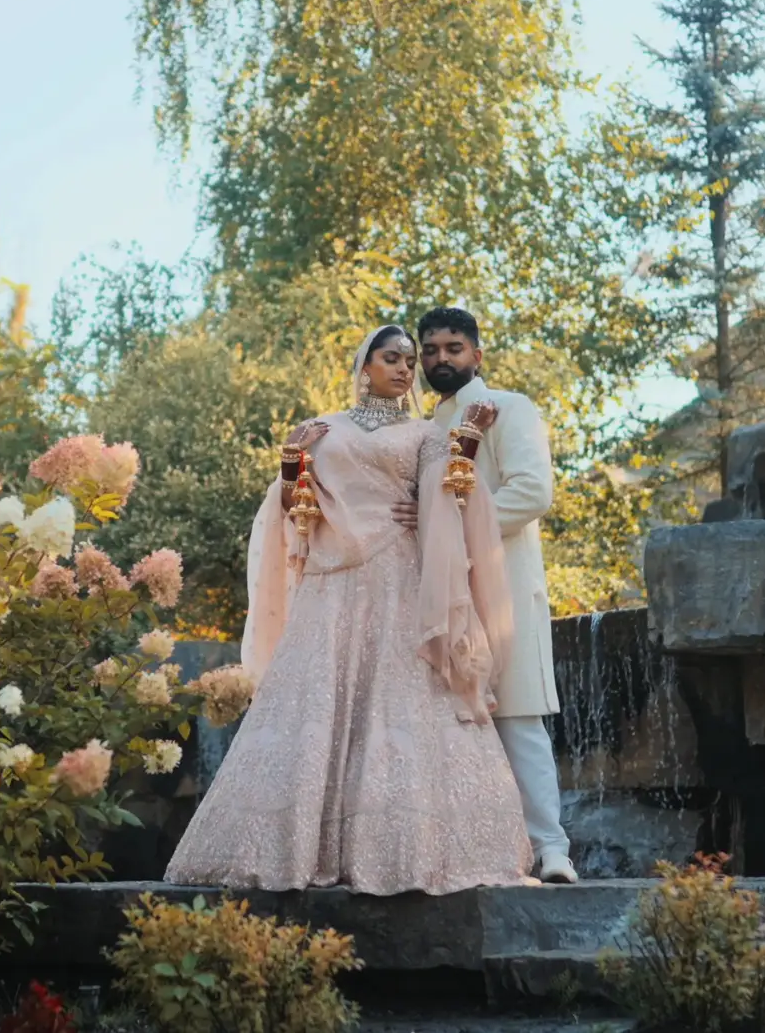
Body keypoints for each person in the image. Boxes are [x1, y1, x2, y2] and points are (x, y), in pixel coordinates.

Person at [163, 324, 533, 895]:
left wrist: (467, 441)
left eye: (411, 361)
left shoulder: (424, 434)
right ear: (365, 366)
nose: (406, 369)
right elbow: (298, 514)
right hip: (330, 587)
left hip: (399, 582)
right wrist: (291, 461)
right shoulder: (321, 430)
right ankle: (296, 848)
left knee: (399, 699)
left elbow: (454, 495)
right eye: (393, 358)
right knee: (314, 706)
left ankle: (402, 851)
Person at [413, 305, 578, 885]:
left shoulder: (509, 408)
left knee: (517, 716)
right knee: (451, 720)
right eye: (429, 350)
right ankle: (469, 852)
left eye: (453, 349)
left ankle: (552, 850)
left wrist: (452, 534)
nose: (440, 360)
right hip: (439, 594)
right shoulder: (420, 427)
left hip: (501, 587)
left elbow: (531, 492)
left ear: (477, 355)